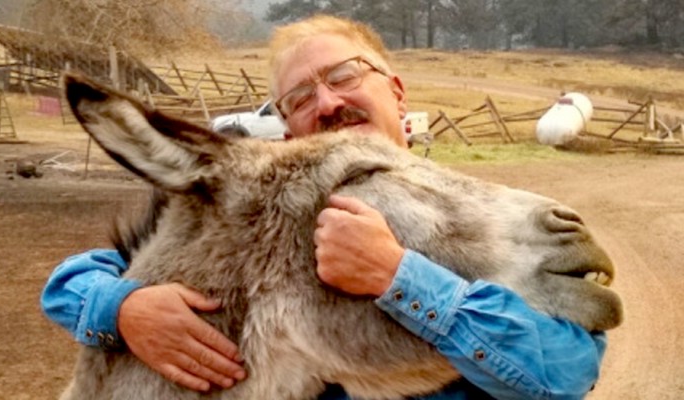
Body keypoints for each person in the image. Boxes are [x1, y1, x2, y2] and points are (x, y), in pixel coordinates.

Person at [42, 15, 606, 399]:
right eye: (300, 98)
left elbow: (566, 371)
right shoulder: (280, 208)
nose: (329, 102)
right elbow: (77, 278)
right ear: (288, 129)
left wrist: (399, 277)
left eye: (345, 77)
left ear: (396, 90)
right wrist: (124, 309)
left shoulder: (457, 204)